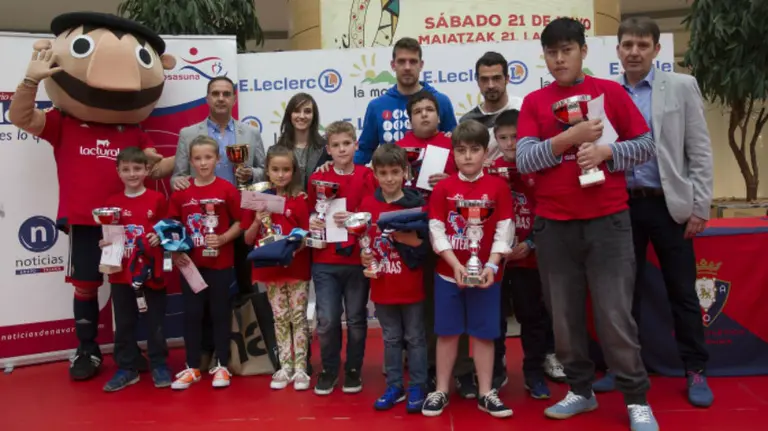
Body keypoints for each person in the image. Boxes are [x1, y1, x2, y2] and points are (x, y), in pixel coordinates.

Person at [8, 12, 172, 381]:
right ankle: (87, 349)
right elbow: (21, 117)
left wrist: (191, 161)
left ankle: (128, 354)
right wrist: (30, 80)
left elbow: (155, 167)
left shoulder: (133, 129)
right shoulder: (63, 122)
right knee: (86, 285)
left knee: (128, 285)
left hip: (127, 228)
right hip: (84, 222)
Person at [515, 18, 658, 430]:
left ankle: (636, 397)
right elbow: (524, 160)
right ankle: (580, 391)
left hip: (608, 222)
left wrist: (606, 152)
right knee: (564, 317)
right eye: (552, 52)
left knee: (615, 315)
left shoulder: (610, 93)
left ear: (583, 51)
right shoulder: (534, 103)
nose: (559, 59)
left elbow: (646, 146)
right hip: (554, 226)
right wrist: (568, 137)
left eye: (567, 50)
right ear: (544, 56)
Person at [592, 16, 715, 408]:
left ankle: (695, 369)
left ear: (657, 50)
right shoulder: (605, 95)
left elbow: (699, 151)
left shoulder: (680, 86)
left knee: (682, 292)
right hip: (619, 206)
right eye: (627, 44)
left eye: (643, 45)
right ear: (618, 50)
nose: (634, 52)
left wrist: (700, 205)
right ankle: (623, 367)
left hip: (669, 205)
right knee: (621, 295)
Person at [423, 120, 514, 419]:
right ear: (454, 153)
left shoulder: (498, 187)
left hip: (488, 275)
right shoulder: (444, 188)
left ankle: (486, 391)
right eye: (461, 150)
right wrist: (456, 265)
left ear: (484, 152)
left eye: (475, 150)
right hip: (449, 274)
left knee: (485, 335)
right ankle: (441, 390)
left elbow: (505, 229)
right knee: (447, 333)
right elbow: (436, 230)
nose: (468, 156)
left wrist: (490, 265)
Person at [168, 76, 265, 297]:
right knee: (205, 281)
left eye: (226, 94)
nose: (221, 98)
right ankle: (209, 329)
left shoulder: (250, 133)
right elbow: (177, 177)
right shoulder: (188, 134)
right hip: (203, 218)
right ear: (207, 98)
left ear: (234, 99)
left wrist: (251, 173)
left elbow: (265, 170)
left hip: (241, 212)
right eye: (216, 94)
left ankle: (246, 328)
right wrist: (178, 182)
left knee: (245, 276)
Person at [489, 110, 558, 398]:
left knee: (532, 316)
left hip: (528, 258)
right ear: (495, 139)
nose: (510, 143)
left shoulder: (538, 170)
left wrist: (530, 243)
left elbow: (548, 211)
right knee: (495, 318)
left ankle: (533, 372)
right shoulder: (489, 171)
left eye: (515, 137)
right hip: (497, 262)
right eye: (503, 138)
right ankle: (495, 370)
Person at [394, 89, 460, 392]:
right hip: (409, 234)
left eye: (429, 109)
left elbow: (473, 181)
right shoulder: (397, 148)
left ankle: (456, 367)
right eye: (418, 110)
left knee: (445, 300)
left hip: (450, 234)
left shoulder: (452, 144)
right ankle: (421, 364)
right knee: (414, 302)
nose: (424, 114)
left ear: (439, 114)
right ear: (409, 118)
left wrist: (450, 182)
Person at [167, 136, 242, 390]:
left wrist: (222, 238)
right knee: (193, 314)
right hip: (191, 265)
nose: (202, 163)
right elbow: (172, 226)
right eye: (197, 158)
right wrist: (175, 252)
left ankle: (221, 365)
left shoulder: (227, 190)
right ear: (190, 161)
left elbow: (240, 223)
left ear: (218, 159)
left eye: (208, 157)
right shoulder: (182, 192)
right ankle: (192, 367)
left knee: (220, 313)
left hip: (221, 263)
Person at [308, 121, 377, 395]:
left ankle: (353, 369)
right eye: (335, 145)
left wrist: (355, 218)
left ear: (356, 145)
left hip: (357, 259)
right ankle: (328, 368)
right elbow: (310, 212)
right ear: (328, 149)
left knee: (358, 318)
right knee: (327, 319)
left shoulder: (367, 176)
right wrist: (313, 221)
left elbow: (374, 213)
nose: (341, 149)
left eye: (346, 144)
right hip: (325, 259)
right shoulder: (317, 179)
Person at [359, 144, 429, 413]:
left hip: (411, 285)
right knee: (390, 338)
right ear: (375, 174)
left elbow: (426, 247)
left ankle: (419, 385)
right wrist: (364, 257)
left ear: (405, 172)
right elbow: (363, 241)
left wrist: (409, 239)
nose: (389, 178)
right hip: (383, 285)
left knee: (415, 338)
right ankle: (395, 386)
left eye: (395, 172)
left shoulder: (416, 204)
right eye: (383, 172)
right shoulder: (367, 205)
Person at [242, 145, 312, 391]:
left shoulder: (300, 200)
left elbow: (307, 237)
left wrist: (289, 249)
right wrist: (257, 222)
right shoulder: (257, 200)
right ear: (267, 172)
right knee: (280, 319)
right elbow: (248, 240)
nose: (281, 174)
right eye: (275, 169)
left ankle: (302, 368)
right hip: (269, 271)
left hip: (295, 268)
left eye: (286, 170)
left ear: (293, 171)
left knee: (298, 317)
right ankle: (285, 367)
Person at [101, 147, 170, 392]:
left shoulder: (157, 199)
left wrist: (159, 237)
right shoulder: (111, 203)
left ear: (147, 170)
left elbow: (168, 229)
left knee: (155, 323)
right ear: (118, 171)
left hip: (151, 273)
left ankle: (159, 364)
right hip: (122, 274)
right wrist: (105, 243)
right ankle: (127, 368)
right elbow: (109, 235)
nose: (132, 174)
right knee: (125, 322)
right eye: (126, 169)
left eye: (137, 168)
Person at [354, 37, 457, 165]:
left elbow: (457, 147)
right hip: (392, 181)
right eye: (401, 61)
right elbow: (364, 151)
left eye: (413, 62)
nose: (407, 67)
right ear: (393, 65)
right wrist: (336, 168)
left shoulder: (441, 101)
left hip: (433, 182)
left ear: (421, 65)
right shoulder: (377, 106)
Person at [459, 51, 524, 164]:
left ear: (507, 79)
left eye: (496, 78)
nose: (491, 85)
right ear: (477, 81)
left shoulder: (524, 108)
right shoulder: (468, 122)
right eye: (484, 79)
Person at [275, 92, 331, 190]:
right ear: (290, 115)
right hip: (288, 204)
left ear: (314, 116)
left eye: (307, 111)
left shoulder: (326, 149)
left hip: (319, 204)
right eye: (296, 111)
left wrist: (334, 165)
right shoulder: (277, 150)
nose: (302, 116)